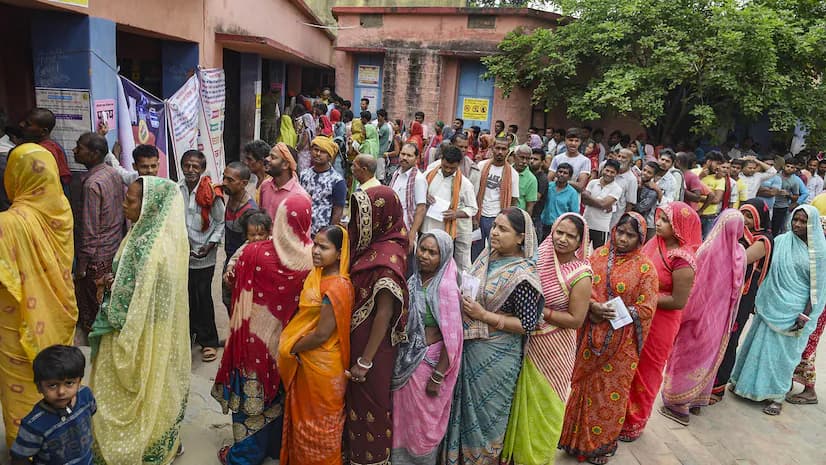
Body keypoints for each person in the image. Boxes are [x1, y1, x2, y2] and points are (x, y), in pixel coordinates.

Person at [89, 177, 191, 464]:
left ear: (149, 206)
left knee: (136, 387)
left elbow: (137, 299)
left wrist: (112, 305)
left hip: (135, 330)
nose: (124, 205)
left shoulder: (152, 249)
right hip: (143, 328)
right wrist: (113, 280)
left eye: (131, 201)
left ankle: (135, 447)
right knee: (154, 386)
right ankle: (156, 439)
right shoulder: (142, 234)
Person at [213, 190, 313, 464]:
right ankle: (275, 449)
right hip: (290, 346)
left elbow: (234, 289)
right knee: (280, 396)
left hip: (253, 342)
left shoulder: (254, 253)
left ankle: (244, 456)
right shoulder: (313, 259)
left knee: (253, 397)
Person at [444, 208, 543, 465]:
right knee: (463, 412)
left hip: (497, 358)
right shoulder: (487, 256)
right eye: (495, 226)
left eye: (503, 229)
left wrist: (484, 315)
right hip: (470, 348)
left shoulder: (523, 275)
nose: (494, 233)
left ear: (521, 238)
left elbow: (528, 324)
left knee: (488, 419)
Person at [558, 212, 658, 465]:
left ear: (640, 238)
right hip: (591, 336)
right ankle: (573, 440)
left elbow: (647, 308)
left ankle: (602, 445)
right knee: (583, 389)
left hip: (621, 345)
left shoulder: (646, 268)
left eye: (630, 235)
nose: (623, 239)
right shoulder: (598, 256)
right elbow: (580, 288)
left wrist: (615, 311)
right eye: (620, 232)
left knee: (609, 393)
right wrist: (592, 306)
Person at [0, 143, 78, 447]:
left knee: (23, 381)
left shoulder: (7, 223)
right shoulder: (61, 211)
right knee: (60, 377)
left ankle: (25, 446)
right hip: (57, 312)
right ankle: (62, 439)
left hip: (16, 320)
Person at [502, 213, 593, 465]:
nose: (562, 239)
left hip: (555, 348)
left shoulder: (581, 273)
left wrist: (541, 312)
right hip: (527, 340)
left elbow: (576, 319)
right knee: (521, 401)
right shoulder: (539, 257)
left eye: (570, 236)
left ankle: (536, 458)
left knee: (546, 404)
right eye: (559, 232)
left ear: (580, 241)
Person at [730, 205, 826, 415]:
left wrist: (805, 315)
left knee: (783, 356)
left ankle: (777, 396)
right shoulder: (781, 241)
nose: (798, 225)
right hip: (771, 302)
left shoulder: (819, 253)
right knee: (758, 346)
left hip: (795, 311)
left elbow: (817, 288)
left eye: (803, 221)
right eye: (795, 220)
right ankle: (744, 385)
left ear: (812, 224)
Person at [621, 202, 702, 441]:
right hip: (638, 314)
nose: (660, 223)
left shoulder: (683, 259)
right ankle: (618, 415)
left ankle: (635, 423)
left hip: (660, 322)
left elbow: (678, 301)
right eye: (661, 218)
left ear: (680, 226)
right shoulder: (655, 242)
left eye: (667, 220)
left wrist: (643, 300)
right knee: (629, 366)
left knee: (647, 370)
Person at [659, 209, 746, 424]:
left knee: (685, 357)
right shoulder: (741, 253)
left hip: (699, 315)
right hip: (719, 320)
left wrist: (683, 315)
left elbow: (695, 289)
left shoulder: (707, 251)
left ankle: (677, 405)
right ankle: (696, 400)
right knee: (705, 359)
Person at [278, 225, 354, 465]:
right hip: (309, 363)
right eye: (315, 245)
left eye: (324, 247)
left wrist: (291, 347)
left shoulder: (338, 286)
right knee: (303, 422)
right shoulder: (317, 276)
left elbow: (322, 335)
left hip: (322, 367)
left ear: (340, 252)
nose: (316, 251)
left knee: (322, 429)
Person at [345, 186, 409, 465]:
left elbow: (383, 313)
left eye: (364, 216)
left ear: (381, 218)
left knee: (370, 405)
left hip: (372, 350)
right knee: (354, 404)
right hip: (359, 342)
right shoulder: (374, 246)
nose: (358, 223)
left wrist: (365, 361)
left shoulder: (388, 257)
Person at [391, 231, 463, 464]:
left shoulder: (445, 288)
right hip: (407, 361)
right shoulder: (415, 280)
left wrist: (437, 376)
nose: (424, 256)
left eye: (433, 253)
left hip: (429, 365)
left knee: (424, 423)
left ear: (444, 256)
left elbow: (451, 338)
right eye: (422, 249)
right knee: (404, 417)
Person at [711, 199, 773, 402]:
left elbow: (741, 259)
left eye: (749, 216)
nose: (744, 220)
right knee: (716, 336)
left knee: (730, 339)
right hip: (727, 292)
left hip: (744, 297)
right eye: (743, 214)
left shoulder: (763, 239)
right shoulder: (742, 235)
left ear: (760, 218)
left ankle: (718, 386)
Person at [72, 132, 125, 342]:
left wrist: (82, 267)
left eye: (80, 147)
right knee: (108, 304)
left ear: (93, 154)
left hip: (97, 258)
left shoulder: (92, 184)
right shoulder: (111, 173)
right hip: (114, 249)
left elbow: (89, 231)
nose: (75, 151)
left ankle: (98, 349)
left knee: (94, 309)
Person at [10, 345, 94, 465]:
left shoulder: (86, 396)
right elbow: (19, 458)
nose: (61, 392)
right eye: (52, 385)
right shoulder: (33, 425)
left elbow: (91, 413)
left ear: (79, 382)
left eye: (69, 383)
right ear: (39, 387)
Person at [179, 150, 225, 362]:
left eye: (195, 167)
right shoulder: (176, 189)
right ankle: (188, 336)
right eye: (187, 165)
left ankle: (209, 341)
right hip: (182, 253)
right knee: (185, 297)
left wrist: (210, 245)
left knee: (203, 296)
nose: (190, 170)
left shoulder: (211, 192)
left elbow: (220, 222)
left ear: (202, 169)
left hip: (204, 255)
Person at [789, 193, 826, 404]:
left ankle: (810, 388)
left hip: (819, 299)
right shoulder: (819, 200)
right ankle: (789, 380)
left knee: (807, 341)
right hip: (813, 295)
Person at [422, 145, 478, 271]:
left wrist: (455, 214)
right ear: (441, 159)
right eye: (445, 166)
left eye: (452, 168)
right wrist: (424, 196)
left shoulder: (465, 184)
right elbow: (418, 190)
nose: (447, 170)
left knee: (442, 265)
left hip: (445, 231)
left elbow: (473, 209)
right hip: (427, 226)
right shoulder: (430, 174)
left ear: (459, 165)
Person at [472, 138, 520, 261]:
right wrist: (473, 216)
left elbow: (514, 200)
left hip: (497, 217)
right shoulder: (481, 166)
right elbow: (473, 192)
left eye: (503, 149)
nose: (500, 152)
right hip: (479, 216)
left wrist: (507, 221)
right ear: (492, 149)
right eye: (497, 148)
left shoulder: (513, 173)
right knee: (475, 251)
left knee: (496, 251)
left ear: (508, 151)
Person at [19, 108, 72, 196]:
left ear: (43, 131)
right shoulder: (55, 147)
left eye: (28, 124)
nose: (21, 125)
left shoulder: (42, 152)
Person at [300, 136, 347, 235]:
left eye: (323, 152)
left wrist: (328, 235)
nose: (318, 154)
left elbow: (338, 211)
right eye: (315, 150)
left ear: (329, 156)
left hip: (321, 233)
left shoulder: (337, 181)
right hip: (302, 229)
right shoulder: (304, 175)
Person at [391, 143, 428, 254]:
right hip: (393, 227)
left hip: (406, 229)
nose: (404, 158)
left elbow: (421, 209)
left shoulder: (418, 179)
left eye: (409, 155)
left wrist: (412, 234)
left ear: (416, 158)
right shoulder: (396, 174)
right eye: (403, 154)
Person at [259, 143, 310, 221]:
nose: (267, 159)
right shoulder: (265, 185)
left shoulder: (299, 196)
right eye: (269, 156)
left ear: (285, 165)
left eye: (273, 157)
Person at [582, 159, 623, 248]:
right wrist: (601, 204)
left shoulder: (617, 189)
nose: (608, 174)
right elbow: (584, 200)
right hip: (586, 225)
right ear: (602, 169)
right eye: (607, 170)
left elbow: (604, 204)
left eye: (612, 172)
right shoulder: (593, 183)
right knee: (581, 253)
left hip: (601, 228)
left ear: (616, 174)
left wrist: (590, 199)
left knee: (598, 256)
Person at [541, 162, 581, 236]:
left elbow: (574, 214)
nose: (561, 174)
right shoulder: (548, 187)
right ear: (556, 173)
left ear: (570, 177)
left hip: (560, 228)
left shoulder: (572, 193)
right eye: (560, 172)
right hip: (543, 225)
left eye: (565, 173)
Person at [772, 159, 802, 234]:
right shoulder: (775, 175)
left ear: (795, 169)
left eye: (792, 167)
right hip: (770, 203)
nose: (789, 168)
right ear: (784, 166)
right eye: (788, 166)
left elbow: (796, 197)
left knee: (776, 228)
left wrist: (789, 195)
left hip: (781, 207)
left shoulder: (795, 181)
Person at [635, 161, 663, 240]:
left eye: (649, 172)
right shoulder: (636, 182)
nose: (645, 173)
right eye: (644, 170)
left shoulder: (653, 192)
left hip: (644, 224)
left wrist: (629, 203)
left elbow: (641, 208)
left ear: (654, 176)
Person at [530, 148, 550, 241]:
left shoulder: (542, 179)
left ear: (542, 162)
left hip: (534, 219)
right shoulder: (527, 175)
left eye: (536, 159)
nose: (532, 161)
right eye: (531, 158)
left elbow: (535, 198)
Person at [513, 145, 538, 215]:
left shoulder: (532, 179)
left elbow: (530, 207)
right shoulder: (507, 170)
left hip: (517, 216)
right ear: (514, 157)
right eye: (522, 157)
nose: (524, 161)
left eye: (527, 159)